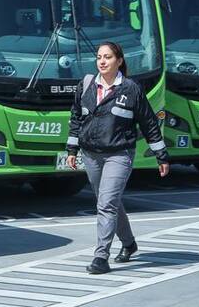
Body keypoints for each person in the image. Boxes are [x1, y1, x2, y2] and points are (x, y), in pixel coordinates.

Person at [66, 41, 170, 275]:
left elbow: (149, 123)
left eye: (108, 57)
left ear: (119, 61)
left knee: (106, 204)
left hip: (119, 154)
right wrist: (72, 149)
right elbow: (76, 118)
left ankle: (101, 257)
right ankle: (129, 243)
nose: (102, 61)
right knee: (109, 202)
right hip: (91, 154)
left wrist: (161, 156)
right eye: (99, 57)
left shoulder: (131, 89)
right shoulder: (86, 85)